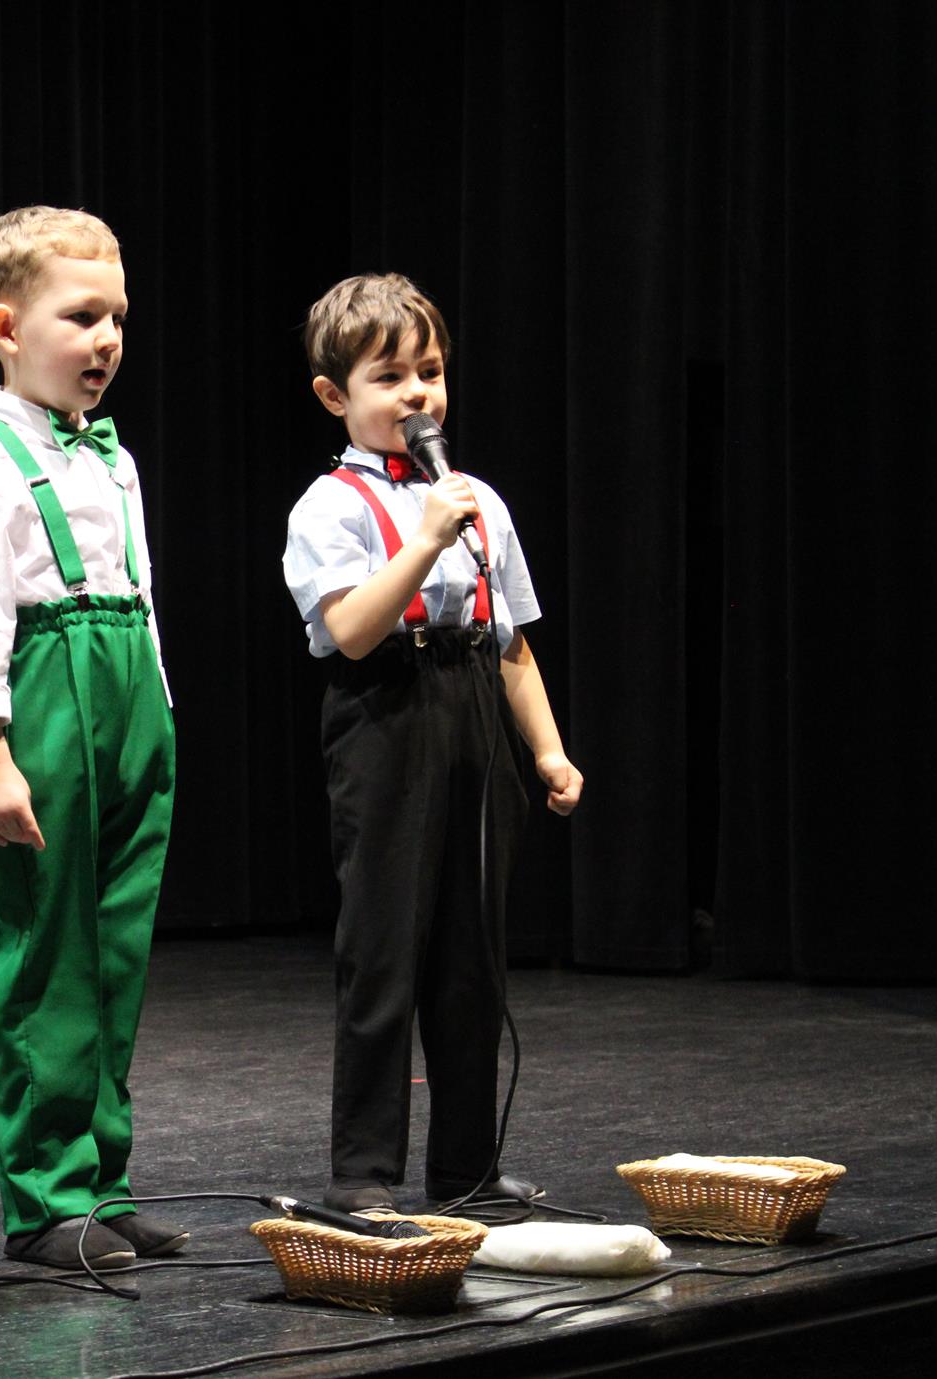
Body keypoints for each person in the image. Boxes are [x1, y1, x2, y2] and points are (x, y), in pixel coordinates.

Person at [0, 206, 182, 1271]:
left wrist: (158, 713)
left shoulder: (114, 459)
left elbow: (139, 592)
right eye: (82, 316)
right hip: (45, 696)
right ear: (6, 326)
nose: (107, 338)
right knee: (48, 954)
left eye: (118, 316)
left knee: (115, 951)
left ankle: (104, 1180)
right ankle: (45, 1201)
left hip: (129, 699)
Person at [280, 273, 583, 1215]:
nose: (417, 394)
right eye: (390, 377)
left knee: (472, 956)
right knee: (385, 950)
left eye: (431, 372)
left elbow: (512, 640)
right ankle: (364, 1173)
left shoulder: (475, 498)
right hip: (386, 709)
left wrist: (549, 751)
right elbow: (352, 630)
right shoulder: (329, 506)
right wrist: (421, 540)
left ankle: (466, 1168)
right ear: (335, 395)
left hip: (473, 706)